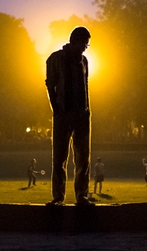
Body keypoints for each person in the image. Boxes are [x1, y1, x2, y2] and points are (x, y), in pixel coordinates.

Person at [45, 26, 94, 206]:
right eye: (83, 44)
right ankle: (58, 198)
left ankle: (82, 195)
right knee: (59, 158)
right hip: (64, 113)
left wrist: (86, 109)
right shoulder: (56, 59)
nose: (84, 48)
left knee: (83, 158)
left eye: (86, 45)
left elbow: (85, 86)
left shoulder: (84, 61)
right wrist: (56, 110)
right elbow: (50, 85)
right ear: (75, 41)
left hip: (81, 113)